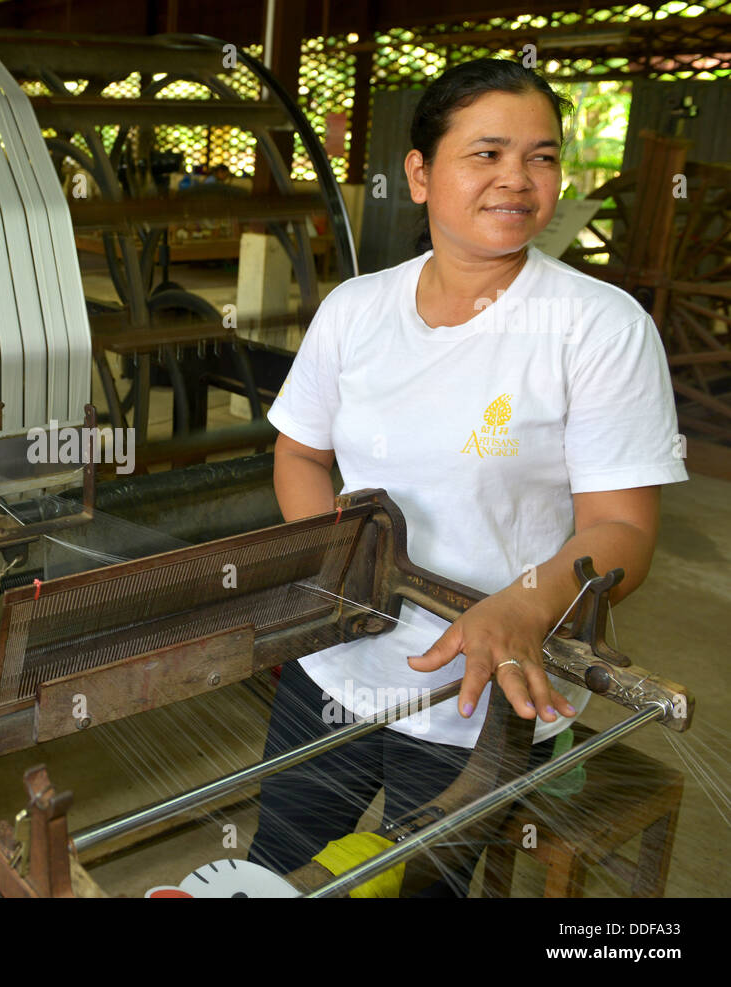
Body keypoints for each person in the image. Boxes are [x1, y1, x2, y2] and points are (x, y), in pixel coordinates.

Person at [247, 58, 687, 896]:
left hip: (481, 698)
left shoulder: (596, 328)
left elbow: (623, 531)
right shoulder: (357, 310)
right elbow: (300, 452)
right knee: (279, 866)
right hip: (334, 665)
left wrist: (523, 605)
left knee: (429, 887)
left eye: (543, 156)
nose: (517, 180)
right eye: (486, 153)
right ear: (419, 174)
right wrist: (337, 571)